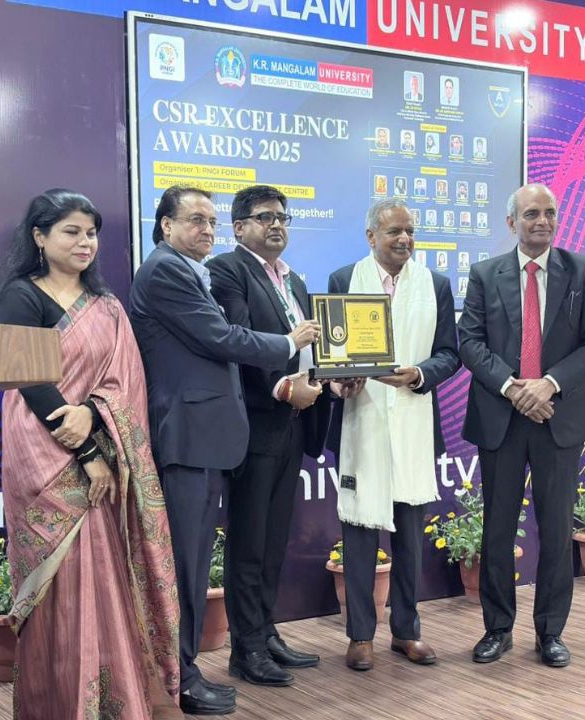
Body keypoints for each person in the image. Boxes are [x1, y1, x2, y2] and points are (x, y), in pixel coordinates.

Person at [0, 189, 181, 718]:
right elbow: (29, 381)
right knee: (63, 584)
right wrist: (89, 453)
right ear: (40, 236)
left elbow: (124, 385)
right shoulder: (20, 296)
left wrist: (93, 417)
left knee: (103, 574)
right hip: (42, 455)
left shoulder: (107, 306)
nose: (85, 242)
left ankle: (113, 701)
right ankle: (59, 704)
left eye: (91, 233)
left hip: (95, 439)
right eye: (71, 231)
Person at [129, 185, 320, 715]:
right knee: (187, 566)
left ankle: (186, 669)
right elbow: (221, 337)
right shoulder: (166, 271)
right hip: (188, 436)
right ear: (166, 225)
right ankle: (182, 675)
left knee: (195, 563)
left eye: (211, 221)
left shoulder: (190, 270)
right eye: (197, 220)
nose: (207, 230)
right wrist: (289, 343)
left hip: (209, 435)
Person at [458, 184, 585, 668]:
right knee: (497, 530)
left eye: (549, 212)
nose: (542, 221)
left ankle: (551, 632)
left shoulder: (582, 270)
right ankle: (497, 629)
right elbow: (470, 342)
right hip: (502, 418)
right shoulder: (485, 274)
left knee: (556, 530)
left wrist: (548, 384)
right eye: (531, 214)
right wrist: (514, 389)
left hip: (558, 418)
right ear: (512, 222)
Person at [324, 198, 461, 671]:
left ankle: (406, 631)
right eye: (394, 232)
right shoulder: (344, 280)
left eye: (410, 231)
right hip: (360, 421)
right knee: (360, 533)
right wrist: (342, 381)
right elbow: (332, 354)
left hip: (412, 422)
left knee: (409, 539)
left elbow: (449, 354)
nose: (404, 239)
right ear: (371, 237)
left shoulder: (435, 284)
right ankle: (360, 635)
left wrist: (420, 374)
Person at [206, 185, 329, 688]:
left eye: (282, 217)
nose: (276, 225)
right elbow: (238, 342)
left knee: (275, 538)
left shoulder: (294, 280)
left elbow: (308, 349)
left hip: (293, 425)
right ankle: (246, 648)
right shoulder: (227, 271)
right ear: (239, 227)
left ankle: (266, 631)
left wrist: (329, 379)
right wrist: (281, 387)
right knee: (249, 541)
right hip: (256, 425)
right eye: (264, 217)